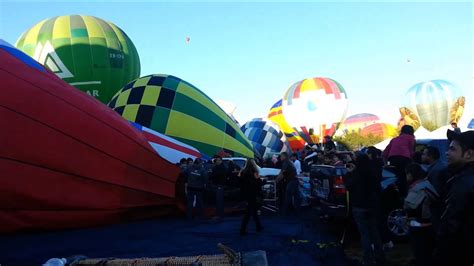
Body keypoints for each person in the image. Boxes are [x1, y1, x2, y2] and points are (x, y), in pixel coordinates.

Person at [434, 131, 474, 265]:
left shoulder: (462, 182)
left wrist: (440, 253)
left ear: (469, 154)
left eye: (452, 149)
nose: (446, 153)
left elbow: (451, 223)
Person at [344, 153, 385, 266]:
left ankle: (368, 259)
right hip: (372, 206)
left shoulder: (356, 174)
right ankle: (380, 257)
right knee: (375, 233)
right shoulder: (373, 172)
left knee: (365, 234)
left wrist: (349, 173)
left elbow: (348, 185)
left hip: (359, 206)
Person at [404, 163, 439, 266]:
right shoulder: (426, 183)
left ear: (411, 175)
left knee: (422, 255)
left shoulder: (417, 189)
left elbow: (409, 206)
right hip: (430, 225)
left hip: (420, 228)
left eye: (406, 174)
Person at [383, 125, 416, 197]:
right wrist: (412, 161)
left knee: (396, 176)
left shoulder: (394, 139)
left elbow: (385, 153)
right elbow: (411, 151)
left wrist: (385, 163)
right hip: (405, 159)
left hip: (392, 160)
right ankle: (405, 195)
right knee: (405, 178)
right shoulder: (411, 138)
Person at [240, 158, 264, 235]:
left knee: (253, 211)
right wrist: (264, 181)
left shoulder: (243, 172)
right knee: (249, 212)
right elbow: (258, 182)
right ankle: (243, 229)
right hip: (253, 193)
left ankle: (258, 226)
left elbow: (240, 181)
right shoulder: (255, 172)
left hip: (246, 193)